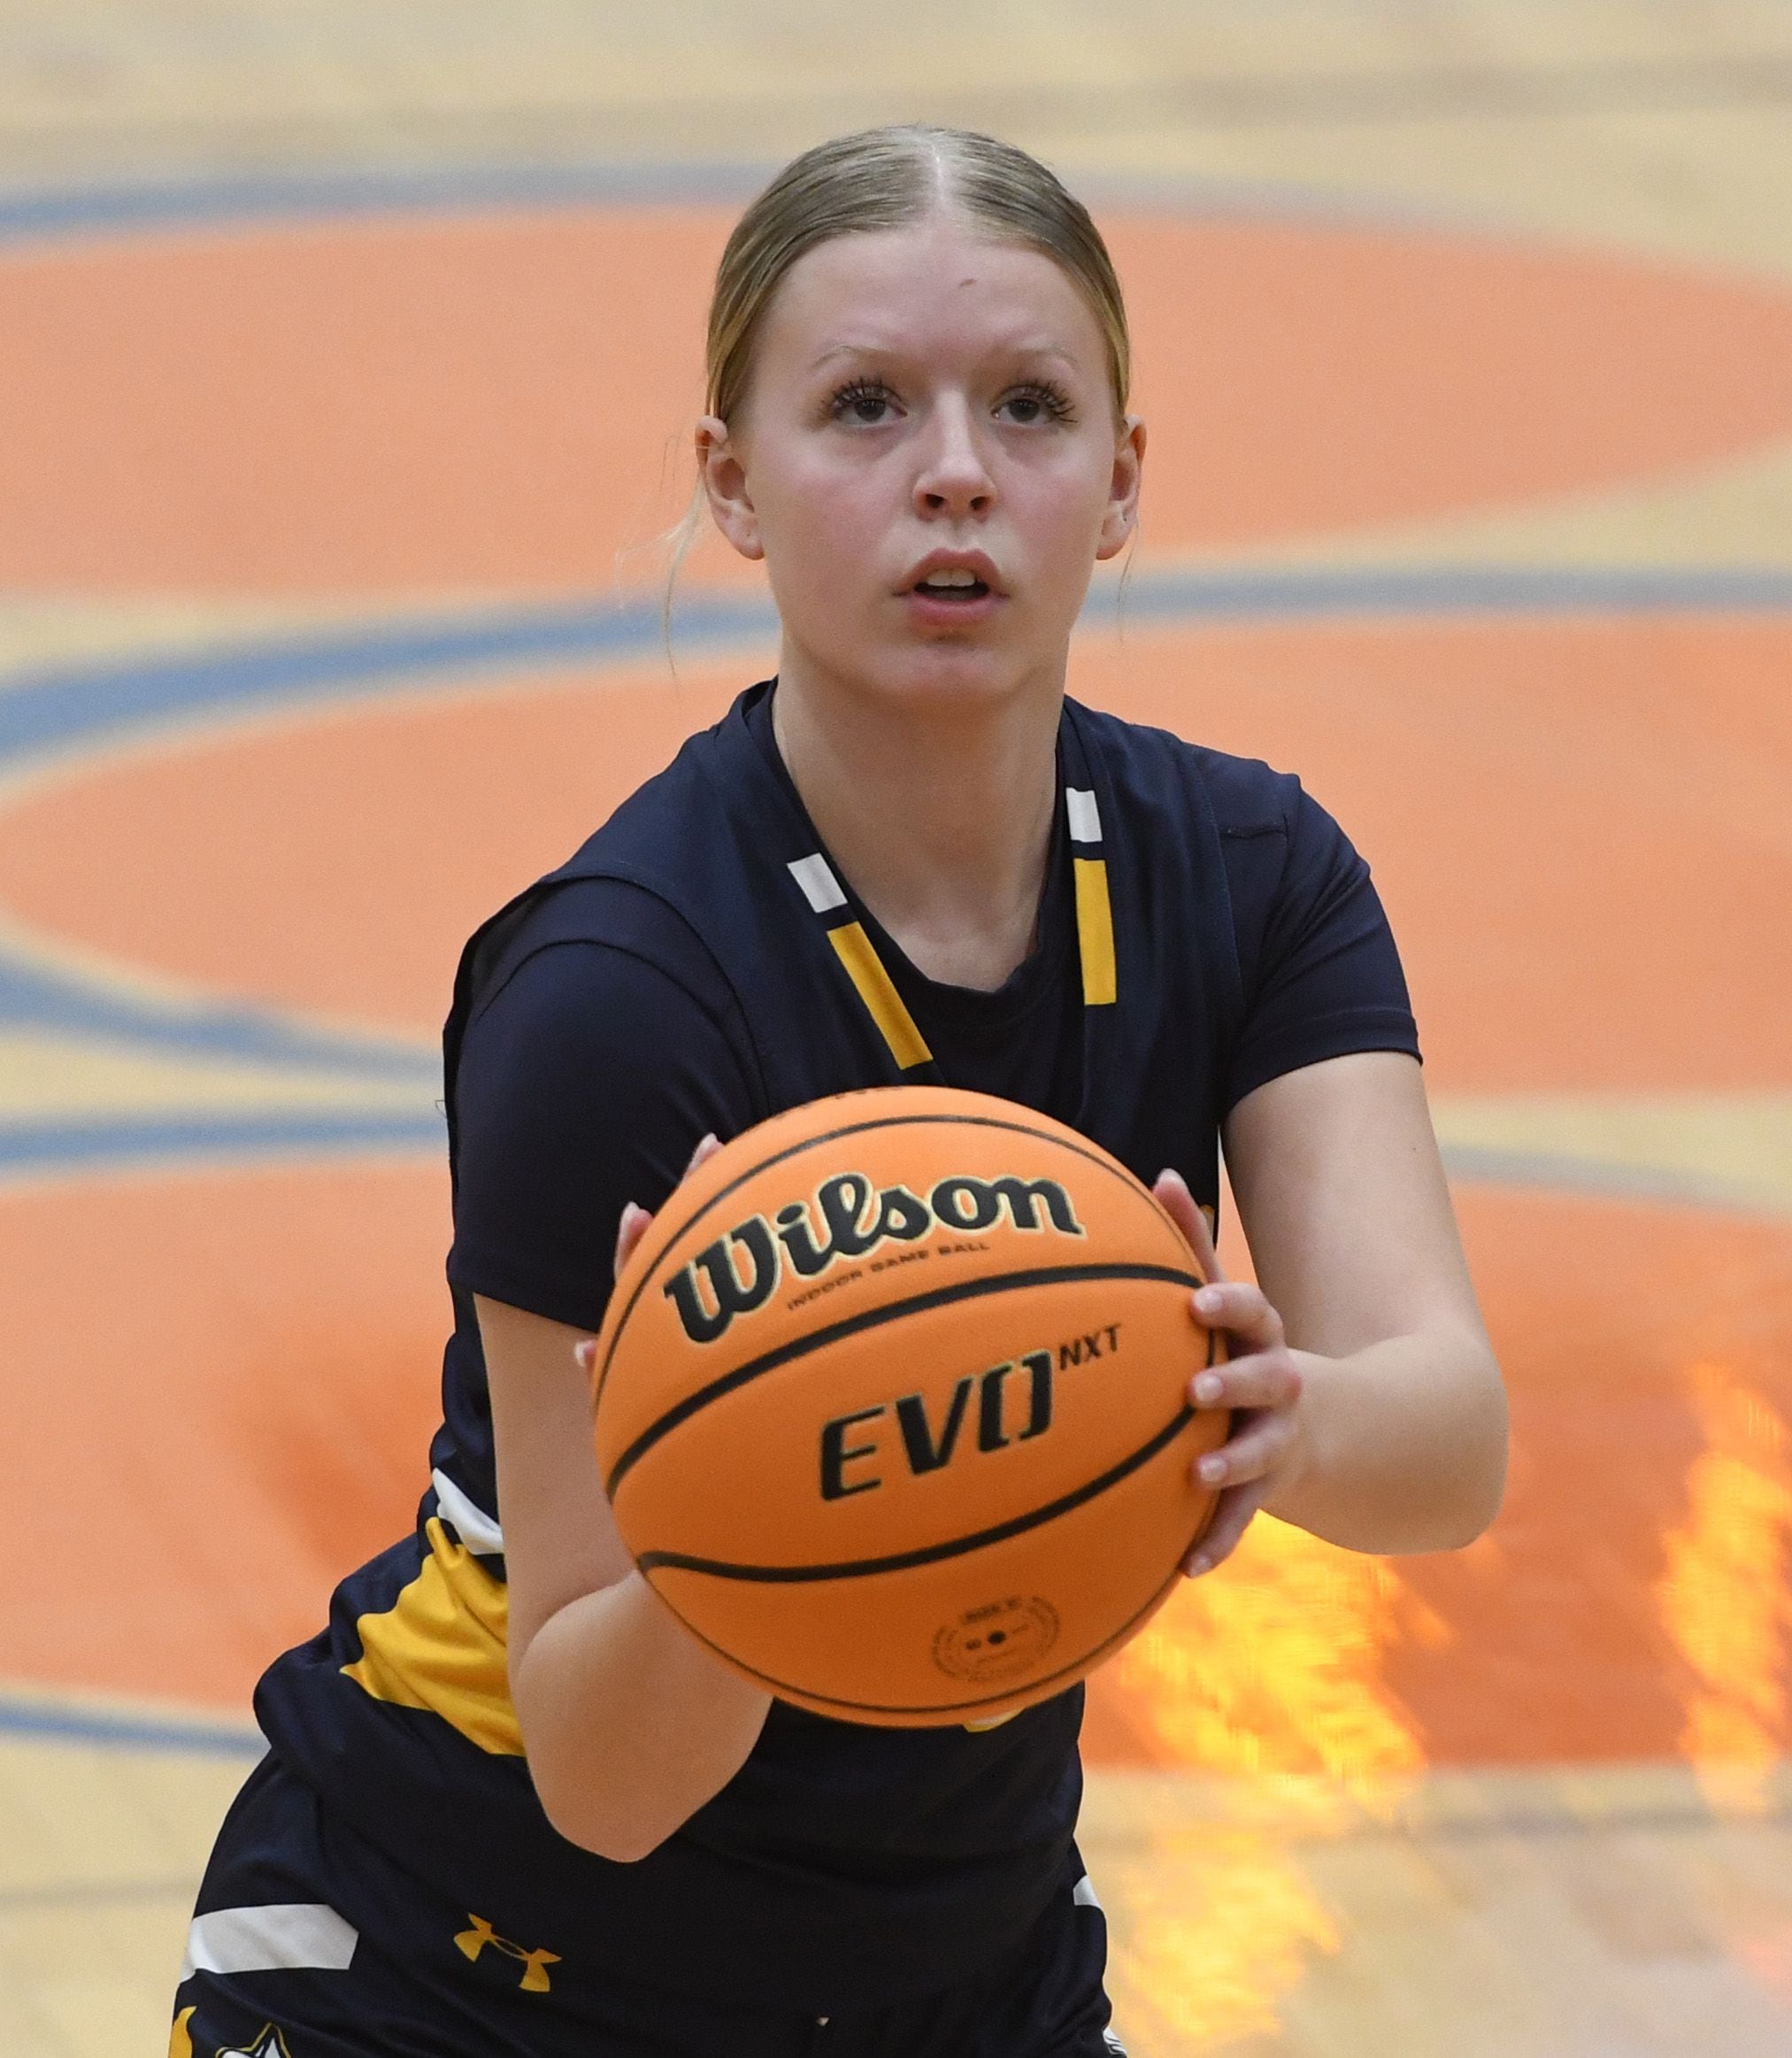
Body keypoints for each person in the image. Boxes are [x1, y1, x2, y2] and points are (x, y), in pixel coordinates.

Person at [171, 123, 1507, 2058]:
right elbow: (607, 1776)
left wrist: (1257, 1417)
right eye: (864, 406)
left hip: (949, 1980)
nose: (953, 470)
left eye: (1028, 408)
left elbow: (1445, 1442)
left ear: (1120, 483)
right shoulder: (611, 991)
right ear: (733, 484)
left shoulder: (1249, 870)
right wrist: (777, 1469)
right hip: (461, 1967)